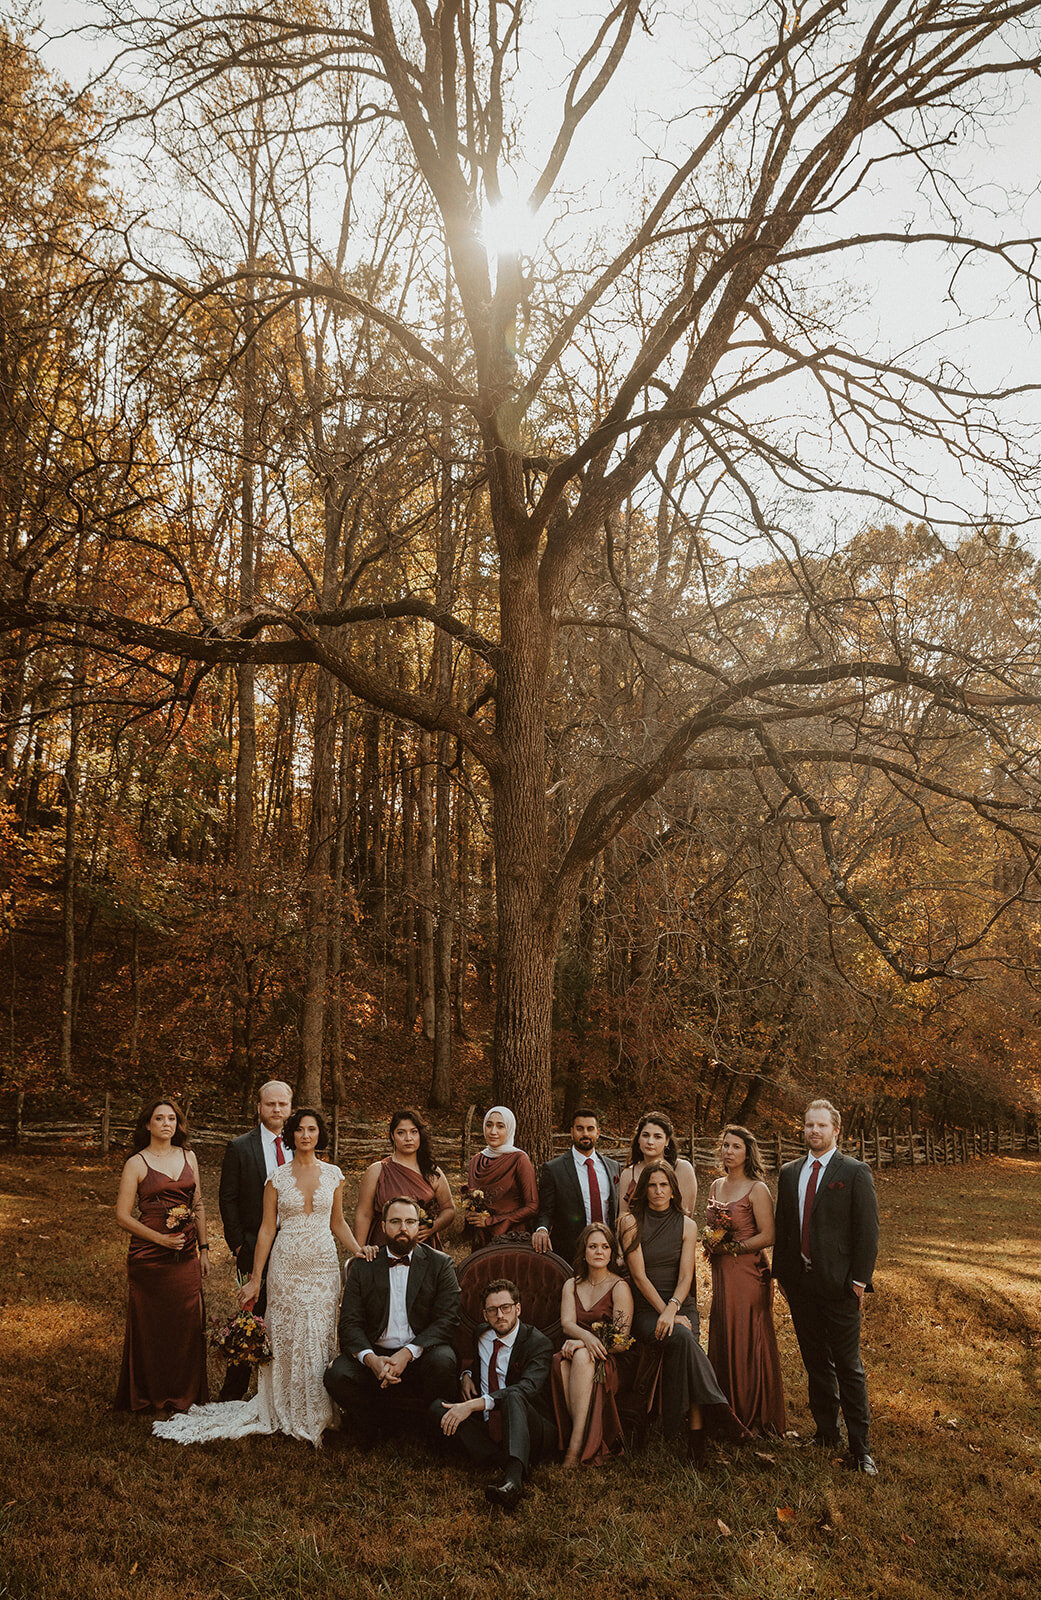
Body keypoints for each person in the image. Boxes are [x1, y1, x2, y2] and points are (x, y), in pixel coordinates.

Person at [154, 1108, 369, 1448]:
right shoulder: (277, 1178)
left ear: (320, 1134)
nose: (306, 1136)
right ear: (291, 1135)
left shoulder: (334, 1175)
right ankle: (283, 1407)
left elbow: (337, 1222)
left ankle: (319, 1409)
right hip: (286, 1265)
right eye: (299, 1130)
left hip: (323, 1267)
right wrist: (255, 1279)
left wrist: (357, 1250)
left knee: (318, 1333)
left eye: (312, 1130)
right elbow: (267, 1230)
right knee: (286, 1336)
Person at [773, 1098, 879, 1475]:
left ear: (836, 1130)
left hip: (839, 1287)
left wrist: (858, 1283)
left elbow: (867, 1233)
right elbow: (784, 1227)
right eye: (808, 1125)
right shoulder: (789, 1172)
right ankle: (825, 1431)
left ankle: (861, 1447)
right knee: (815, 1361)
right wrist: (781, 1276)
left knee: (848, 1367)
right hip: (800, 1287)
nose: (813, 1131)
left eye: (820, 1125)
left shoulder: (853, 1172)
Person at [618, 1160, 738, 1463]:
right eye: (652, 1185)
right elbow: (639, 1276)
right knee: (686, 1339)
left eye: (664, 1185)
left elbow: (686, 1276)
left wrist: (673, 1308)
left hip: (680, 1304)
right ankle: (712, 1422)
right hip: (646, 1308)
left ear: (673, 1190)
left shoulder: (687, 1224)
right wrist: (665, 1312)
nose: (658, 1191)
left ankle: (698, 1439)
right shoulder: (630, 1222)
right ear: (644, 1190)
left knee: (685, 1342)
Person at [324, 1196, 460, 1444]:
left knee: (444, 1361)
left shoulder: (440, 1264)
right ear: (384, 1226)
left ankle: (431, 1428)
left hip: (420, 1354)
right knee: (337, 1374)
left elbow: (447, 1319)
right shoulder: (364, 1266)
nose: (403, 1228)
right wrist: (371, 1359)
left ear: (419, 1226)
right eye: (395, 1222)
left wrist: (407, 1354)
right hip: (377, 1354)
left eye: (410, 1222)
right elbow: (349, 1323)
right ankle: (373, 1425)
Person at [114, 1098, 209, 1414]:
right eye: (159, 1118)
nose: (166, 1123)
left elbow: (198, 1206)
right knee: (151, 1326)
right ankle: (148, 1394)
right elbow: (122, 1216)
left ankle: (185, 1393)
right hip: (148, 1257)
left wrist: (205, 1249)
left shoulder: (188, 1157)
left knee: (187, 1325)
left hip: (186, 1254)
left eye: (172, 1118)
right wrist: (159, 1239)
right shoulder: (137, 1163)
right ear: (148, 1125)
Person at [432, 1278, 555, 1509]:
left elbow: (528, 1388)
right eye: (492, 1310)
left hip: (530, 1427)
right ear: (484, 1315)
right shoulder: (481, 1334)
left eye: (505, 1308)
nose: (500, 1315)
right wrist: (466, 1375)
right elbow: (476, 1363)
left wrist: (473, 1405)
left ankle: (513, 1481)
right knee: (438, 1407)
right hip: (488, 1424)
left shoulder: (538, 1344)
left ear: (518, 1308)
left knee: (514, 1395)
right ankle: (499, 1458)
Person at [704, 1124, 786, 1435]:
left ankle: (753, 1414)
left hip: (750, 1274)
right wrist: (710, 1241)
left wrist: (731, 1247)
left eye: (735, 1146)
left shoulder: (757, 1189)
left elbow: (769, 1235)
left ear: (747, 1152)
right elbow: (711, 1225)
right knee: (724, 1332)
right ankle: (725, 1411)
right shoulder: (714, 1186)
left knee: (746, 1336)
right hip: (722, 1272)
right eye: (725, 1145)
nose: (728, 1151)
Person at [217, 1078, 293, 1401]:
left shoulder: (300, 1144)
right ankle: (234, 1392)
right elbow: (227, 1199)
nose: (277, 1109)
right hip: (251, 1244)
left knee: (289, 1317)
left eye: (282, 1104)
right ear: (259, 1107)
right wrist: (237, 1244)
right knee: (251, 1318)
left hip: (293, 1245)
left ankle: (283, 1390)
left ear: (290, 1108)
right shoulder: (240, 1147)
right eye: (270, 1104)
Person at [551, 1223, 633, 1466]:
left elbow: (622, 1342)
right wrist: (584, 1339)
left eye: (605, 1247)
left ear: (612, 1253)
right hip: (575, 1354)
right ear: (583, 1251)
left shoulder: (620, 1287)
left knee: (582, 1358)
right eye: (593, 1246)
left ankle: (573, 1450)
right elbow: (567, 1323)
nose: (599, 1252)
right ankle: (581, 1438)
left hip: (610, 1360)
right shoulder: (572, 1284)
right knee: (564, 1363)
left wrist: (585, 1346)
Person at [354, 1108, 456, 1249]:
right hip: (384, 1244)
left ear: (420, 1135)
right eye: (401, 1133)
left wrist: (433, 1227)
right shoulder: (377, 1170)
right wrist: (359, 1250)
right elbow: (364, 1214)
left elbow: (449, 1209)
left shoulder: (431, 1172)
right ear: (392, 1136)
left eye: (413, 1132)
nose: (408, 1138)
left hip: (422, 1245)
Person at [532, 1108, 619, 1262]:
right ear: (572, 1132)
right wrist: (542, 1230)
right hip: (571, 1252)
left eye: (590, 1129)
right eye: (580, 1129)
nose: (585, 1134)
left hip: (607, 1251)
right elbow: (546, 1211)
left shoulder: (613, 1168)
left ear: (598, 1132)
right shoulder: (554, 1169)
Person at [464, 1106, 538, 1247]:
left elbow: (533, 1206)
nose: (493, 1132)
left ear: (509, 1129)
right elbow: (474, 1200)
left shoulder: (519, 1159)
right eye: (489, 1125)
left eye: (500, 1126)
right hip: (482, 1237)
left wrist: (491, 1221)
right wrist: (471, 1214)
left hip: (512, 1237)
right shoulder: (476, 1161)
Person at [619, 1111, 698, 1217]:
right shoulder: (628, 1173)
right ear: (638, 1138)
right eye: (646, 1135)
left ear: (667, 1141)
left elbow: (686, 1216)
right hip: (636, 1232)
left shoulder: (681, 1169)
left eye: (657, 1137)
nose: (650, 1141)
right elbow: (622, 1216)